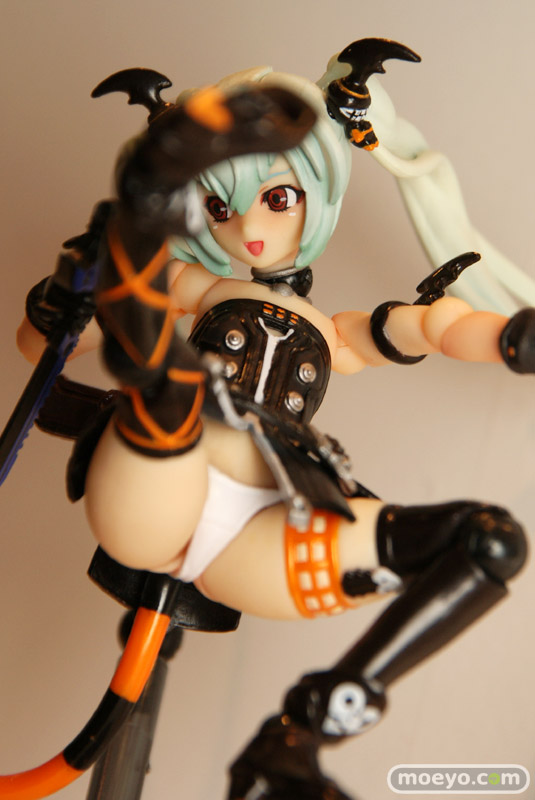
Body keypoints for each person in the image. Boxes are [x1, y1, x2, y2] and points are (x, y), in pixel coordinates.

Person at [16, 41, 533, 799]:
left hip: (267, 528)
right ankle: (158, 300)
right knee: (167, 370)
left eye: (277, 198)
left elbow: (425, 328)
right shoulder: (199, 286)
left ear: (319, 195)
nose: (249, 229)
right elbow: (49, 344)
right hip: (161, 483)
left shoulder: (333, 332)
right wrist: (63, 303)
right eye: (220, 208)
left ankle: (296, 738)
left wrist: (509, 336)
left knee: (487, 541)